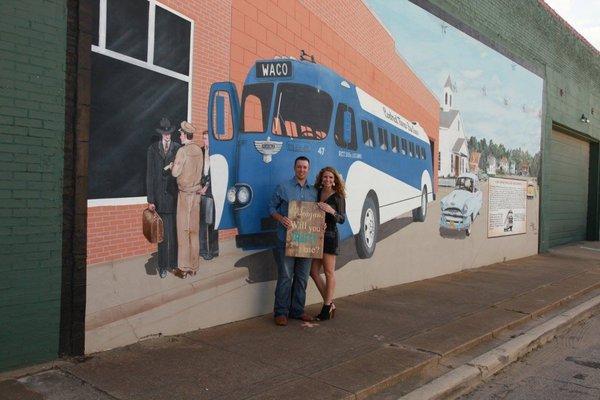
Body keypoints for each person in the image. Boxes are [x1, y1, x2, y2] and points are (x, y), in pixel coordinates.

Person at [269, 156, 317, 326]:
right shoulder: (283, 187)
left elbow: (316, 215)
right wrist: (281, 218)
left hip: (306, 241)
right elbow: (271, 208)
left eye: (305, 167)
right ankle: (281, 312)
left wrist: (321, 224)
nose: (301, 170)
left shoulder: (314, 191)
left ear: (308, 170)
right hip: (286, 240)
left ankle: (297, 310)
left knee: (302, 277)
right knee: (285, 277)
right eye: (299, 167)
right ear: (294, 168)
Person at [169, 121, 205, 278]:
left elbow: (175, 173)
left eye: (181, 134)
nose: (180, 136)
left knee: (183, 232)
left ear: (185, 135)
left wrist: (171, 166)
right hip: (196, 195)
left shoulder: (182, 151)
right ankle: (194, 267)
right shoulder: (198, 150)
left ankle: (183, 268)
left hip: (184, 195)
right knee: (194, 232)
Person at [310, 167, 346, 320]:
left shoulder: (338, 197)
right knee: (313, 272)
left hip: (330, 236)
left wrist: (331, 211)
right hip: (317, 236)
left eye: (331, 178)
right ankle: (330, 303)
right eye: (325, 177)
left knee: (329, 272)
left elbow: (342, 219)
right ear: (321, 178)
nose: (328, 180)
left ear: (335, 180)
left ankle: (326, 307)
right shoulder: (317, 192)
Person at [146, 117, 181, 278]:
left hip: (174, 198)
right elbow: (150, 176)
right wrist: (151, 200)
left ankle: (173, 265)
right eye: (165, 133)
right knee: (161, 235)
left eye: (169, 133)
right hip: (159, 199)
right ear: (161, 134)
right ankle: (162, 266)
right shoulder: (152, 149)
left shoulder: (178, 148)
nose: (167, 135)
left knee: (173, 235)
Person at [199, 131, 219, 260]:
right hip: (201, 191)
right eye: (204, 138)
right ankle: (203, 250)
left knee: (212, 223)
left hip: (212, 192)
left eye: (206, 139)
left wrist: (206, 187)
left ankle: (213, 250)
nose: (205, 141)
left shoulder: (216, 153)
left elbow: (217, 173)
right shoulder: (200, 151)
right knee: (202, 223)